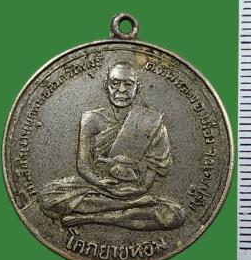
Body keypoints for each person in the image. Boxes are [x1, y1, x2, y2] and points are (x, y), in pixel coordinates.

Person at [38, 61, 185, 230]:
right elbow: (83, 165)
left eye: (128, 84)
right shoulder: (91, 119)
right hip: (96, 188)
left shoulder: (152, 121)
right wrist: (101, 184)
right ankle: (129, 209)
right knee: (48, 198)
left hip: (134, 192)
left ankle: (92, 217)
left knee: (175, 215)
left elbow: (147, 181)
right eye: (115, 83)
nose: (121, 90)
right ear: (106, 86)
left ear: (137, 87)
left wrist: (135, 191)